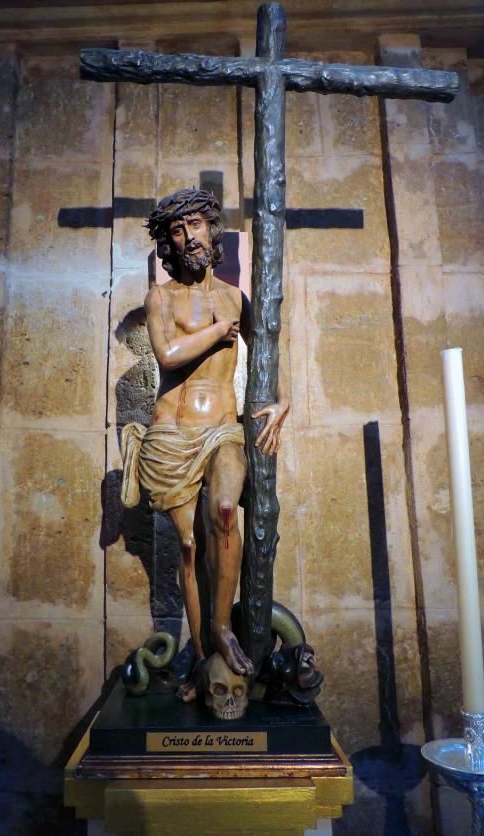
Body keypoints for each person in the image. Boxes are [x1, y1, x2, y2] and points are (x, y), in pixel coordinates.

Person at [121, 188, 289, 700]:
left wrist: (283, 398)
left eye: (194, 225)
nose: (188, 236)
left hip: (222, 430)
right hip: (172, 438)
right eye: (177, 230)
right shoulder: (161, 298)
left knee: (225, 512)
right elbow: (169, 355)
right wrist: (218, 332)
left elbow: (267, 346)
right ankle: (199, 661)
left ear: (211, 231)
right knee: (190, 550)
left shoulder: (235, 298)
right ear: (168, 243)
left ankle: (220, 628)